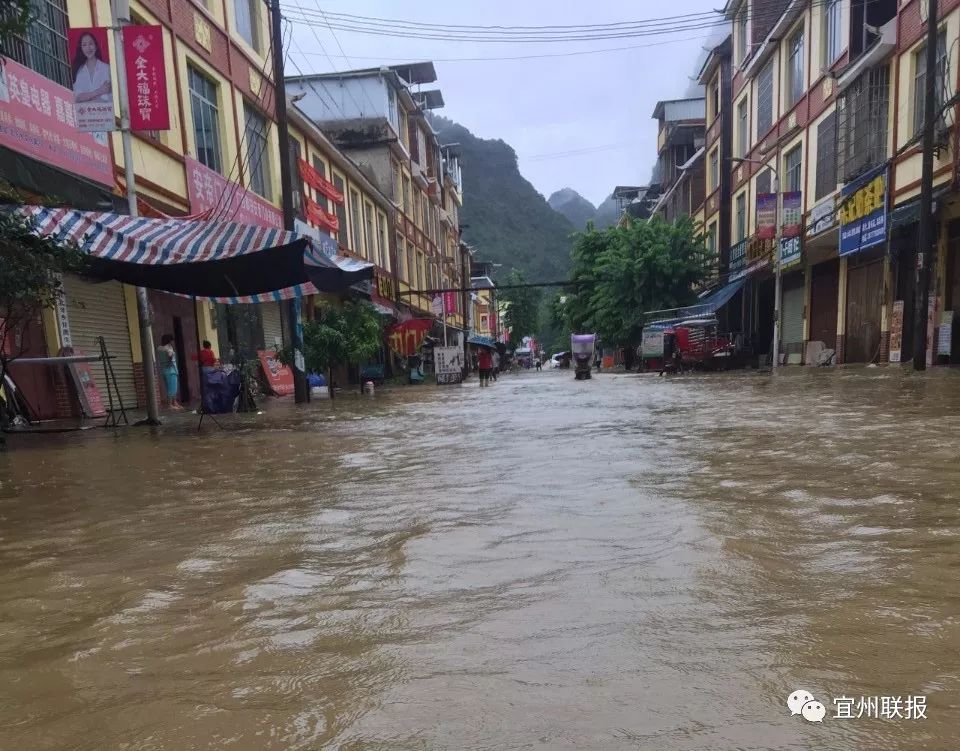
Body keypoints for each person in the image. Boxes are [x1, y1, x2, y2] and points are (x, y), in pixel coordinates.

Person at [71, 32, 112, 103]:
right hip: (84, 113)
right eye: (84, 45)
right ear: (81, 48)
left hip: (104, 112)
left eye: (91, 44)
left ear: (96, 46)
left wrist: (87, 96)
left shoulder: (106, 68)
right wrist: (100, 91)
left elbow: (106, 97)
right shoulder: (78, 71)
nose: (88, 48)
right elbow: (77, 98)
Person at [156, 334, 183, 411]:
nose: (172, 342)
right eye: (171, 340)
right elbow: (170, 355)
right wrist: (170, 361)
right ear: (169, 340)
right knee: (172, 388)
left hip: (164, 370)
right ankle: (170, 404)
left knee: (169, 387)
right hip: (171, 370)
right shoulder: (168, 348)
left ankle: (174, 403)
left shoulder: (159, 348)